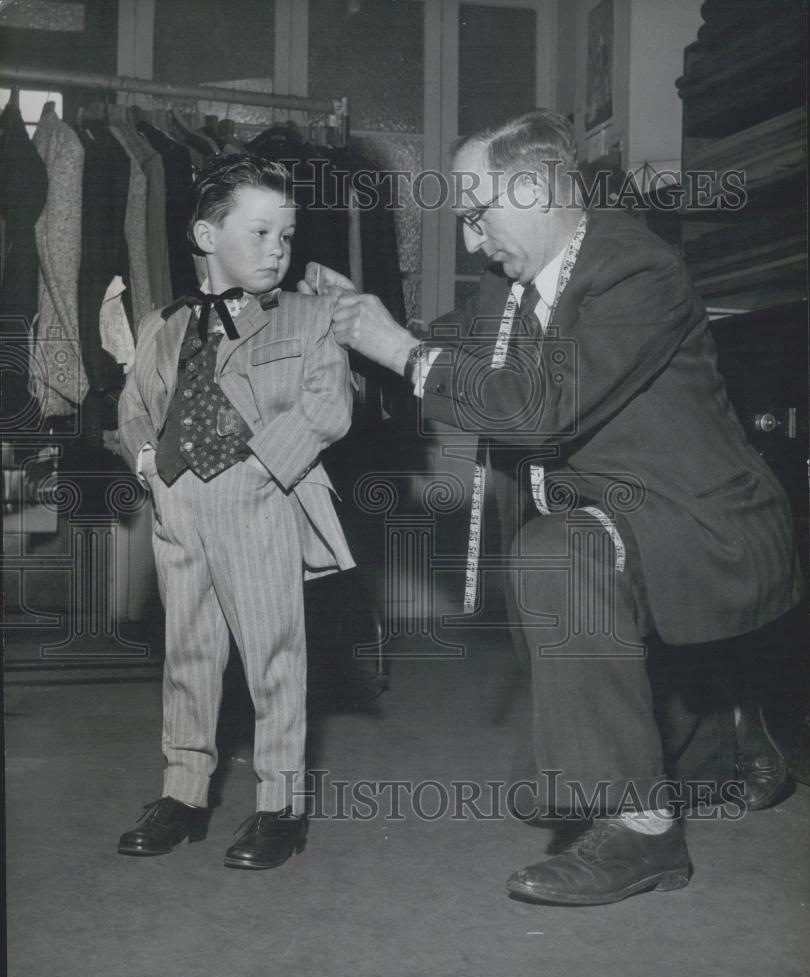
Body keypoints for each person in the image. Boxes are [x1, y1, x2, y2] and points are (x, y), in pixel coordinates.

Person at [302, 110, 804, 905]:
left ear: (534, 191)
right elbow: (460, 358)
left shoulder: (638, 270)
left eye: (476, 215)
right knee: (563, 572)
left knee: (554, 556)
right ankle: (727, 735)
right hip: (620, 519)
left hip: (701, 527)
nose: (470, 242)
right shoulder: (514, 285)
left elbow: (537, 410)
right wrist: (360, 317)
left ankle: (644, 832)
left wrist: (397, 347)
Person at [117, 153, 354, 870]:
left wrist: (263, 468)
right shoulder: (166, 323)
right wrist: (149, 467)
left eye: (285, 235)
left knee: (274, 657)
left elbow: (328, 406)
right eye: (258, 233)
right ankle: (184, 794)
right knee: (187, 653)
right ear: (204, 236)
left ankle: (280, 806)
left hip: (259, 498)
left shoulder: (308, 319)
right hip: (178, 503)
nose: (277, 249)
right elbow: (137, 407)